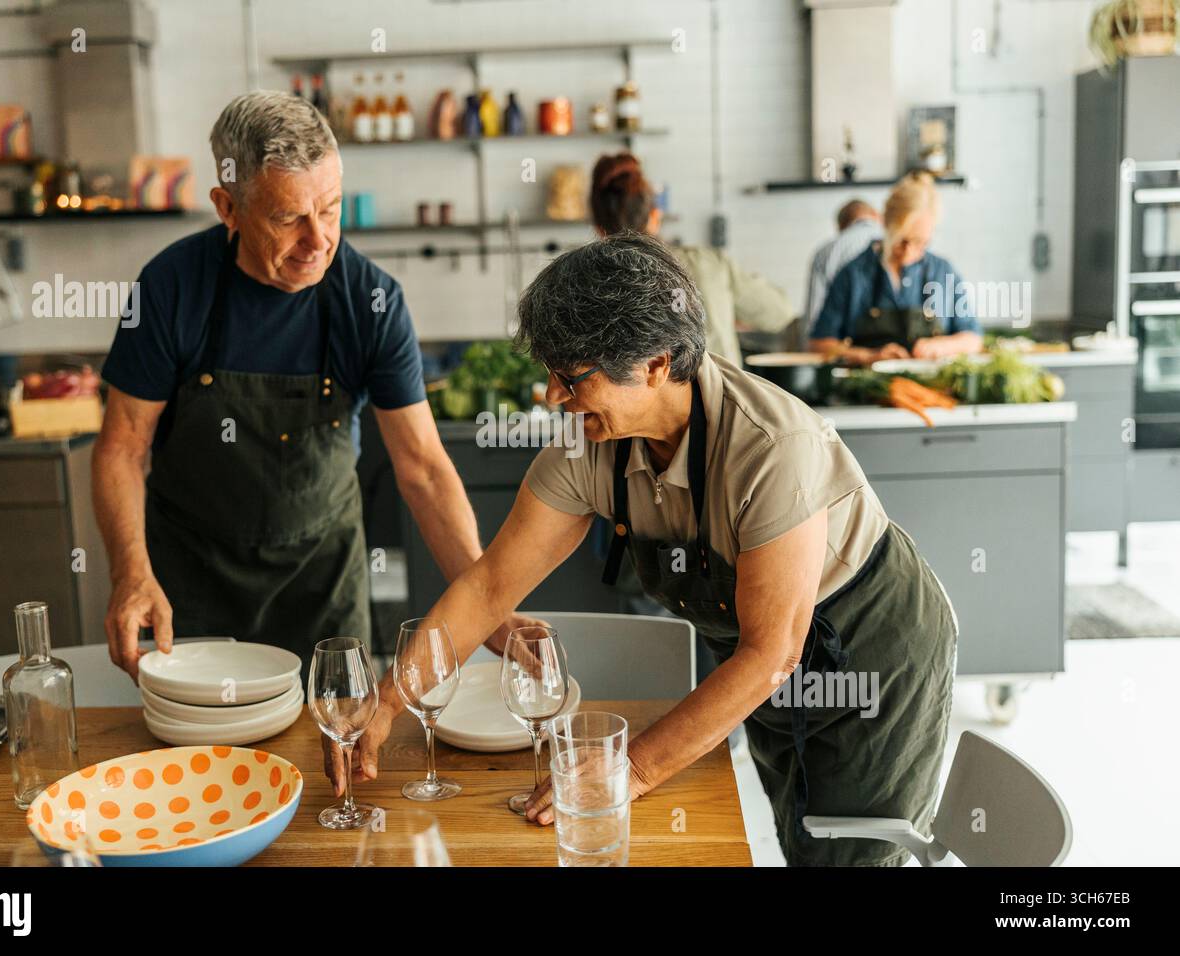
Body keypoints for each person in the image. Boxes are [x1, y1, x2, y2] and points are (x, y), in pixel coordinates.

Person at [328, 233, 960, 867]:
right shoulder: (591, 445)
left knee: (849, 853)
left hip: (872, 659)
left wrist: (625, 772)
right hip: (771, 669)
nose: (553, 395)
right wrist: (387, 700)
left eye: (572, 376)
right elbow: (489, 586)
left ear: (656, 364)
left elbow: (773, 651)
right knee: (801, 834)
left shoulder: (772, 449)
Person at [94, 91, 532, 684]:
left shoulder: (371, 300)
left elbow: (423, 469)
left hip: (322, 590)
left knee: (334, 762)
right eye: (287, 218)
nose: (319, 238)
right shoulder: (170, 289)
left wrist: (488, 599)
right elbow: (122, 447)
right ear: (228, 208)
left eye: (330, 209)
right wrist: (130, 573)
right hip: (192, 592)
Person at [590, 153, 793, 368]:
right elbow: (779, 313)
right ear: (655, 216)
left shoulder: (590, 284)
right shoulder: (708, 265)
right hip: (716, 398)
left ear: (597, 227)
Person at [810, 172, 983, 366]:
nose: (908, 252)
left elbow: (973, 338)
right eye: (901, 240)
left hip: (932, 390)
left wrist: (941, 346)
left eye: (919, 242)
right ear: (885, 224)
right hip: (867, 390)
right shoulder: (853, 274)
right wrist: (868, 356)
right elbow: (820, 344)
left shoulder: (943, 272)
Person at [804, 199, 882, 330]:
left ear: (841, 227)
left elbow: (814, 315)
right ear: (877, 215)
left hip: (844, 343)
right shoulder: (900, 245)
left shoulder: (826, 252)